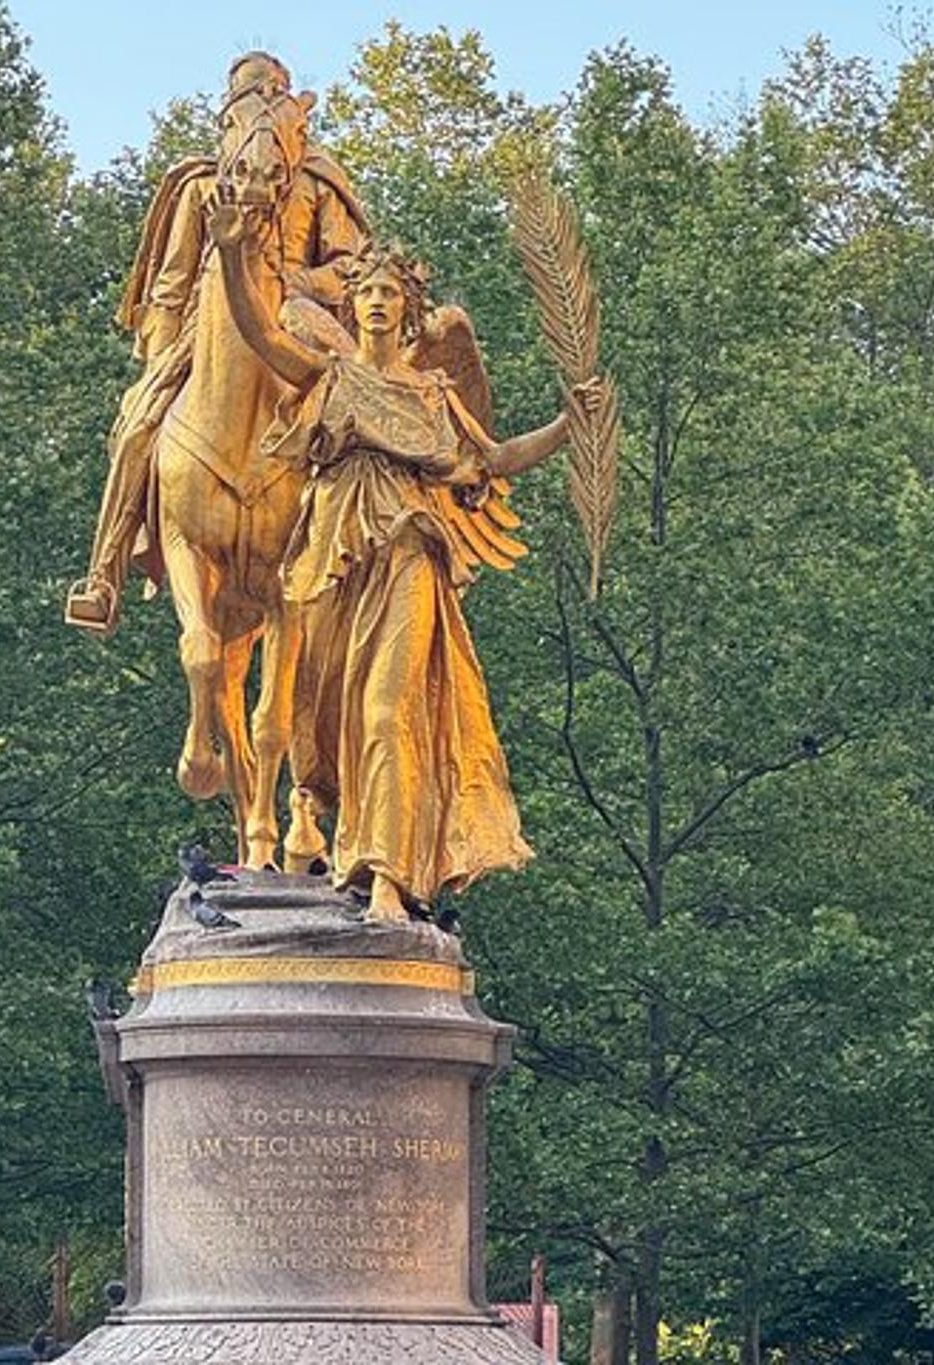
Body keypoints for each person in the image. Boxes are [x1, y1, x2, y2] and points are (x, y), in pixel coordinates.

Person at [208, 188, 603, 921]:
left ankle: (387, 874)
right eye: (368, 292)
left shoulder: (430, 393)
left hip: (408, 553)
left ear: (409, 308)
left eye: (392, 293)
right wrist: (233, 252)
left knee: (389, 709)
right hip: (332, 560)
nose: (379, 303)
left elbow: (497, 457)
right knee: (330, 712)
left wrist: (569, 424)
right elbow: (260, 333)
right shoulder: (327, 376)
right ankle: (318, 821)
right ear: (352, 305)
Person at [65, 50, 368, 636]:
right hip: (208, 328)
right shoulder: (200, 185)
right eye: (247, 93)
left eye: (272, 90)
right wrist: (158, 360)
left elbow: (350, 272)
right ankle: (103, 575)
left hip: (294, 323)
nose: (260, 99)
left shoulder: (318, 182)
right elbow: (171, 282)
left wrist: (292, 281)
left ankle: (375, 555)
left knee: (359, 430)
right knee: (135, 427)